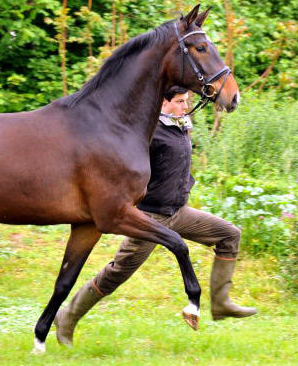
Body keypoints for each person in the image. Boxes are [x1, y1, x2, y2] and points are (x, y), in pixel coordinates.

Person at [54, 86, 257, 346]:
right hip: (150, 218)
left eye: (187, 101)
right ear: (163, 102)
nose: (185, 106)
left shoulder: (179, 124)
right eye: (180, 101)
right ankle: (67, 316)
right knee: (118, 272)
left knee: (229, 234)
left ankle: (221, 303)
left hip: (179, 211)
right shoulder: (148, 132)